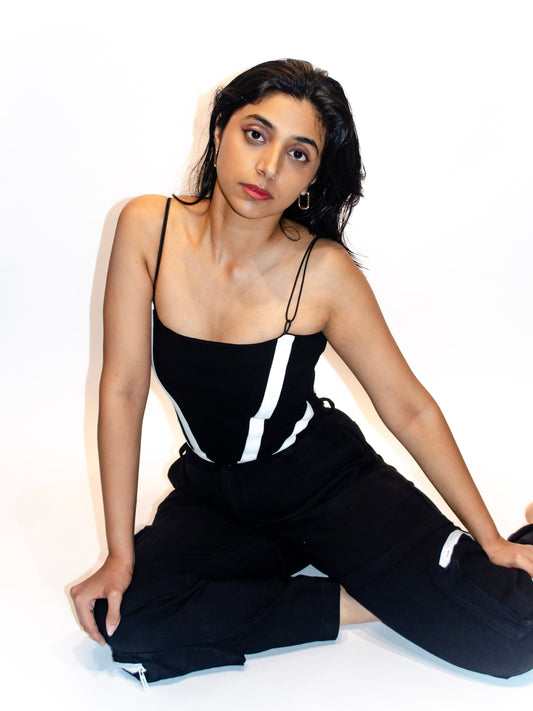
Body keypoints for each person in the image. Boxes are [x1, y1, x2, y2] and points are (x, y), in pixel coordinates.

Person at [70, 59, 533, 686]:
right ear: (219, 132)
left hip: (324, 486)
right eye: (255, 134)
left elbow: (409, 408)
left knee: (510, 638)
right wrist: (119, 556)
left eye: (298, 154)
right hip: (214, 491)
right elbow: (123, 388)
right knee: (129, 619)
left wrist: (494, 543)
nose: (267, 167)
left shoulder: (324, 272)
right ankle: (366, 599)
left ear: (313, 176)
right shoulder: (148, 227)